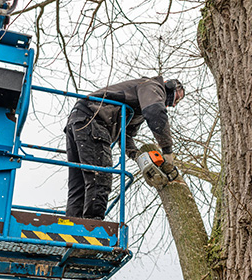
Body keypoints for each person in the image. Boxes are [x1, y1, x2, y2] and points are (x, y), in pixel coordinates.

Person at [65, 76, 185, 220]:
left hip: (79, 119)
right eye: (177, 99)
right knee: (100, 176)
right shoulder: (152, 86)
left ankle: (72, 223)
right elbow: (155, 113)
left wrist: (137, 156)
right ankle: (92, 226)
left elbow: (126, 136)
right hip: (94, 119)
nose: (173, 105)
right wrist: (167, 150)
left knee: (80, 181)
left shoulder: (138, 104)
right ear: (170, 87)